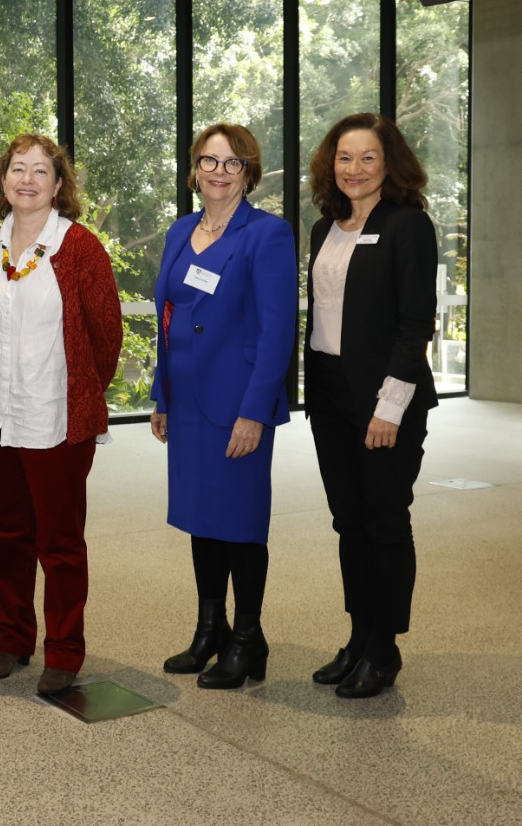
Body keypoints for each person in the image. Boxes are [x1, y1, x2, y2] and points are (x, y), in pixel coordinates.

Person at [0, 135, 122, 695]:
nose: (27, 180)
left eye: (41, 172)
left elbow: (106, 336)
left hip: (54, 418)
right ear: (3, 181)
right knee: (6, 532)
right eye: (17, 169)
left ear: (60, 186)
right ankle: (12, 638)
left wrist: (82, 393)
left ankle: (64, 649)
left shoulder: (79, 247)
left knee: (59, 541)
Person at [150, 123, 297, 690]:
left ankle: (247, 639)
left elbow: (277, 330)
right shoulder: (181, 230)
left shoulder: (267, 235)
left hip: (235, 403)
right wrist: (161, 393)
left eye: (232, 163)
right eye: (209, 161)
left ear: (248, 173)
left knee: (240, 523)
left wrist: (255, 411)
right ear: (195, 169)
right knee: (202, 520)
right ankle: (209, 628)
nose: (218, 171)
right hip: (186, 402)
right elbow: (168, 321)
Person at [304, 113, 438, 698]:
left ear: (389, 164)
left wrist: (390, 407)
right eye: (343, 157)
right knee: (348, 521)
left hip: (386, 397)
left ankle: (384, 649)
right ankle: (359, 637)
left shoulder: (409, 225)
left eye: (366, 158)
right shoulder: (323, 228)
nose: (353, 169)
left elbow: (415, 325)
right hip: (330, 393)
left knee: (384, 521)